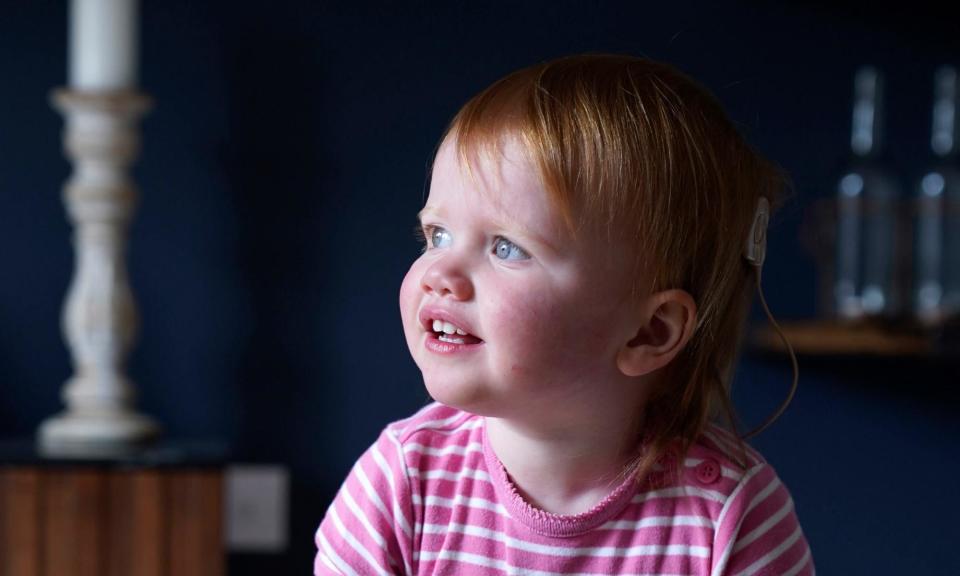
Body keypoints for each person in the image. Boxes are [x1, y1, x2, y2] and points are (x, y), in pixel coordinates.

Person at [315, 54, 814, 575]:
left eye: (507, 247)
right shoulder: (400, 483)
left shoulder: (732, 517)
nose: (441, 272)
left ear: (650, 331)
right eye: (437, 235)